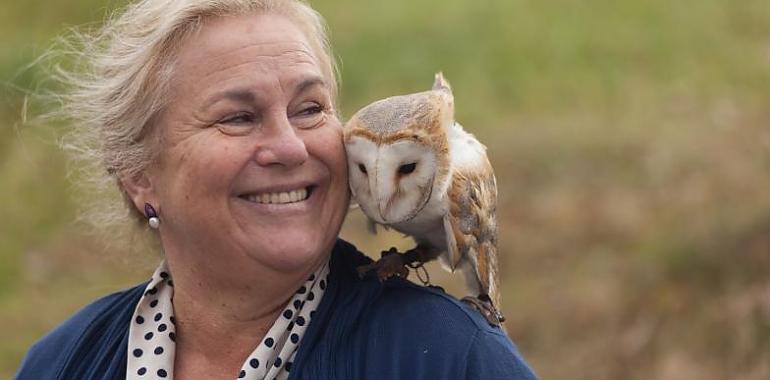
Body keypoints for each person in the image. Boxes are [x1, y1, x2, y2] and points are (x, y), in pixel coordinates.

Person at [15, 0, 538, 379]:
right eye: (239, 117)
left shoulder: (447, 358)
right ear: (139, 176)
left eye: (309, 109)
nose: (291, 148)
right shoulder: (62, 363)